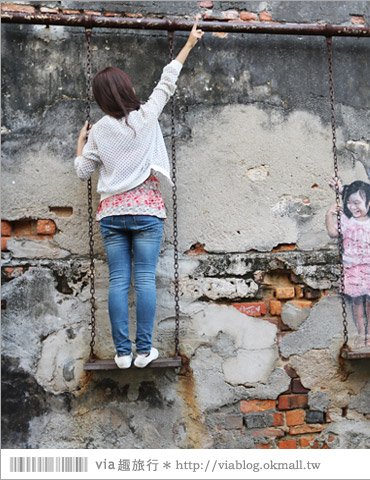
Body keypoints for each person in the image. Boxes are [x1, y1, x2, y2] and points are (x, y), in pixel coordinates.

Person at [74, 17, 204, 369]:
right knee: (145, 279)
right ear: (127, 90)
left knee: (118, 281)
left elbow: (83, 171)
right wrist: (189, 43)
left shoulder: (99, 131)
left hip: (112, 214)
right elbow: (168, 79)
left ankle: (121, 353)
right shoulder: (146, 117)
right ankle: (144, 352)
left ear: (101, 99)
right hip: (146, 210)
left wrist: (80, 143)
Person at [326, 179, 370, 348]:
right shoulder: (346, 219)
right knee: (357, 301)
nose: (352, 207)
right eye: (348, 203)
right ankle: (361, 332)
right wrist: (329, 214)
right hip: (352, 266)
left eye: (357, 203)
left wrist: (343, 189)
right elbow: (333, 233)